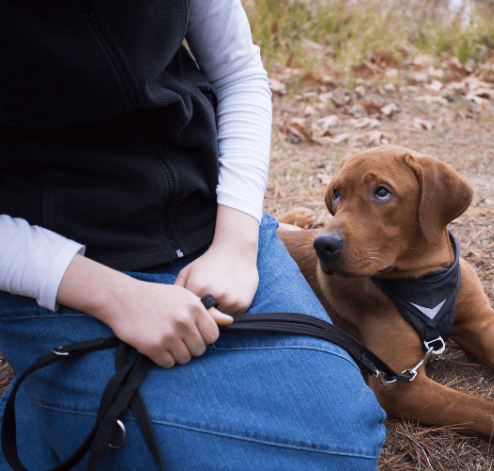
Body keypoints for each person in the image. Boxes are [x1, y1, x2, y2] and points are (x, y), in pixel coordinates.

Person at [0, 0, 386, 469]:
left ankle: (52, 404)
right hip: (63, 266)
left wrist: (235, 244)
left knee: (347, 440)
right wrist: (113, 297)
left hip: (211, 224)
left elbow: (239, 73)